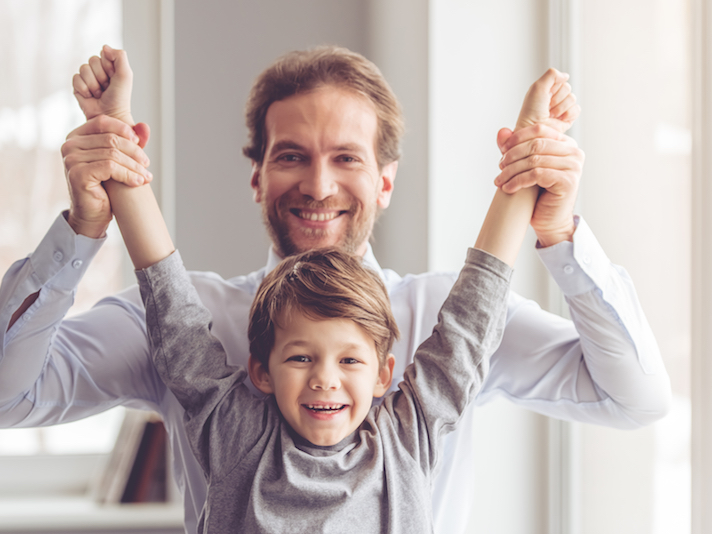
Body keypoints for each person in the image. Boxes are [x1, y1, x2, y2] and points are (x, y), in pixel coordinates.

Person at [0, 45, 671, 533]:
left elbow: (635, 397)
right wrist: (86, 224)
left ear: (385, 181)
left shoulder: (435, 329)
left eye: (347, 159)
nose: (320, 185)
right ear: (258, 176)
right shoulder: (195, 328)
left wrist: (557, 225)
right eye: (292, 156)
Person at [111, 86, 533, 529]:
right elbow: (172, 309)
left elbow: (471, 320)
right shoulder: (235, 436)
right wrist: (117, 146)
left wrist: (527, 156)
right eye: (300, 357)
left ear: (384, 374)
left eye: (349, 359)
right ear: (261, 371)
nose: (325, 380)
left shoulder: (405, 440)